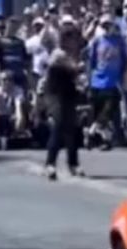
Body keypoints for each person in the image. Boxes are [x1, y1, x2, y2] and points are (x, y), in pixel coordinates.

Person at [87, 14, 127, 150]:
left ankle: (92, 131)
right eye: (104, 26)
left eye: (108, 25)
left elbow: (124, 60)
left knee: (108, 111)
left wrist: (121, 77)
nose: (106, 28)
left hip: (112, 82)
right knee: (99, 112)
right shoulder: (97, 41)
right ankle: (103, 141)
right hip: (97, 81)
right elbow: (92, 61)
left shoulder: (119, 41)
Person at [44, 51, 84, 180]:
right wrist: (72, 66)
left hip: (68, 100)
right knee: (57, 130)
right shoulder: (54, 70)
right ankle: (50, 164)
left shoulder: (68, 71)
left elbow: (74, 79)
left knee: (71, 133)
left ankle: (73, 164)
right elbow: (54, 88)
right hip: (57, 101)